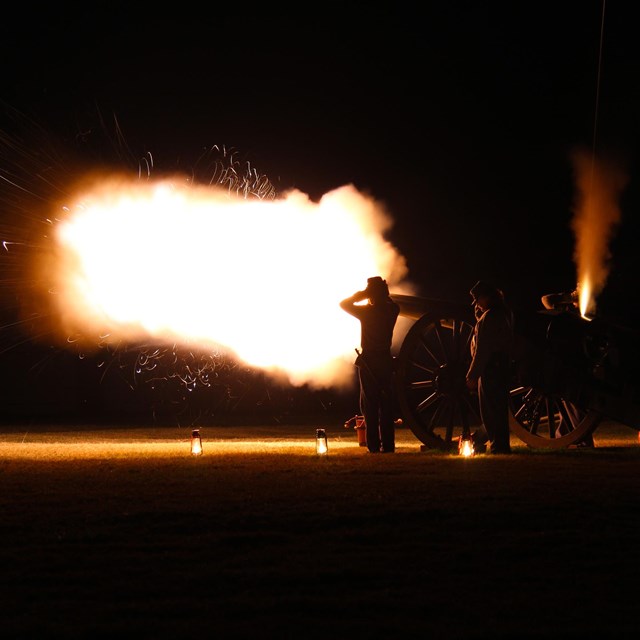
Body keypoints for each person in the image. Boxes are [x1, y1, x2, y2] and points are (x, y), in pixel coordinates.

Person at [340, 277, 400, 453]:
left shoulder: (367, 312)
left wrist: (362, 294)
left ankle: (373, 446)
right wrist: (379, 294)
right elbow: (391, 303)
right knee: (386, 406)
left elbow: (344, 304)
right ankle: (388, 446)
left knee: (370, 406)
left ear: (371, 293)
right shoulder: (392, 310)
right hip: (386, 361)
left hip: (370, 362)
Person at [465, 280, 514, 454]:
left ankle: (497, 447)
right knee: (497, 410)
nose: (477, 303)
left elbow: (482, 349)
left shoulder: (490, 317)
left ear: (487, 297)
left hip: (490, 369)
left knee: (490, 411)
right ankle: (500, 446)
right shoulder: (503, 313)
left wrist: (472, 375)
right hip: (500, 367)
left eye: (478, 299)